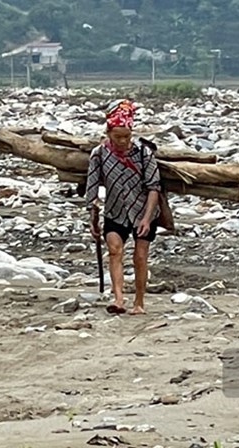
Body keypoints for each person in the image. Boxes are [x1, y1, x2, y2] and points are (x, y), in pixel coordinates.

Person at [85, 99, 161, 315]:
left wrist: (146, 219)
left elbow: (154, 188)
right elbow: (92, 189)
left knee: (139, 256)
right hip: (115, 211)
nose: (122, 141)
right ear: (108, 133)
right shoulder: (99, 154)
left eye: (126, 136)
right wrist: (92, 219)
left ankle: (139, 302)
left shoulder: (143, 153)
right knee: (115, 250)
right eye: (118, 137)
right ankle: (118, 298)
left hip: (143, 210)